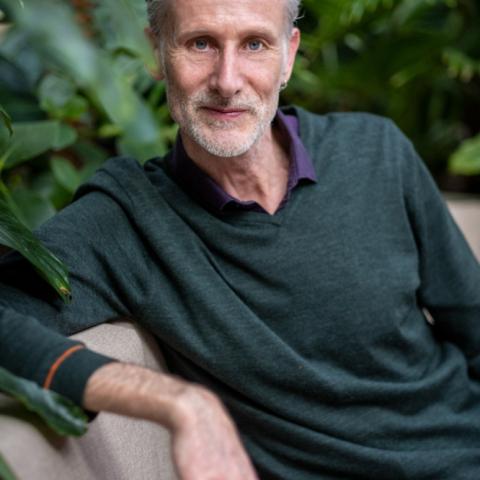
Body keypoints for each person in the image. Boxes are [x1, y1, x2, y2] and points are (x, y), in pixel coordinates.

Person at [1, 0, 480, 478]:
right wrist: (178, 401)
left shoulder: (377, 150)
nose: (227, 81)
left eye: (255, 44)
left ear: (288, 56)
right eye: (200, 43)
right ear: (157, 53)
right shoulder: (125, 219)